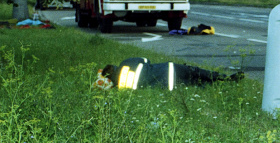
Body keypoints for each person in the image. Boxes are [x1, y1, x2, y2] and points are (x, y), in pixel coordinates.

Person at [94, 57, 244, 90]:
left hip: (168, 84)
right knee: (196, 72)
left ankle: (219, 87)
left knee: (194, 83)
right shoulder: (126, 63)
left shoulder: (121, 87)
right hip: (169, 69)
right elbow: (146, 60)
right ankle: (225, 79)